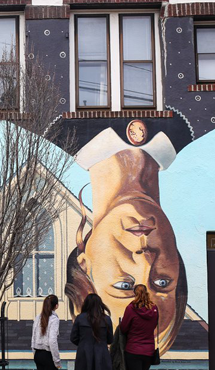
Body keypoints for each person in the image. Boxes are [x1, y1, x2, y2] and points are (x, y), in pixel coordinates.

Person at [65, 128, 187, 354]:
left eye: (124, 286)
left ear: (84, 266)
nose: (146, 261)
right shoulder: (196, 124)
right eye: (162, 282)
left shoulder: (57, 127)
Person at [119, 284, 159, 370]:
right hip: (148, 351)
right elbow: (154, 325)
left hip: (133, 350)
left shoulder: (131, 308)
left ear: (134, 293)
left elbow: (124, 328)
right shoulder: (154, 309)